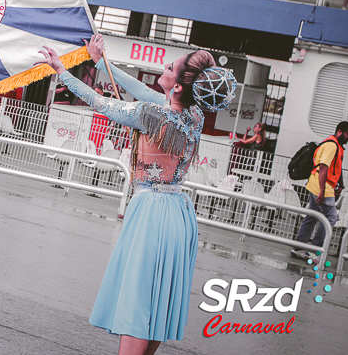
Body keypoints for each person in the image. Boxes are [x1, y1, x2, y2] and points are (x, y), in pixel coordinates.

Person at [35, 34, 236, 355]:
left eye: (170, 67)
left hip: (152, 211)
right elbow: (144, 92)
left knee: (137, 302)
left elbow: (101, 103)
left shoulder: (150, 115)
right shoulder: (193, 116)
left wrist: (63, 72)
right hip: (179, 212)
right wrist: (100, 62)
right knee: (157, 302)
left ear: (178, 87)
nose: (164, 67)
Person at [291, 121, 348, 264]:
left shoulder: (333, 145)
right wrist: (322, 191)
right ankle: (313, 250)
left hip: (316, 184)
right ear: (339, 132)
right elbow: (324, 168)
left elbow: (335, 167)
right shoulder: (332, 146)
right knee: (331, 218)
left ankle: (298, 248)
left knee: (312, 217)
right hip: (322, 186)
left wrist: (341, 184)